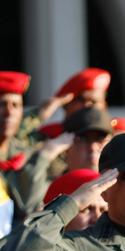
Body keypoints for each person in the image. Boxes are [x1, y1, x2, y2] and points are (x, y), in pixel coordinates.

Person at [0, 71, 72, 225]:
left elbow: (29, 205)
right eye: (2, 104)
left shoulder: (24, 152)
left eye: (16, 105)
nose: (9, 112)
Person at [62, 106, 113, 172]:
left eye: (101, 139)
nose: (93, 147)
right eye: (83, 140)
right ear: (66, 149)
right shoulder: (48, 180)